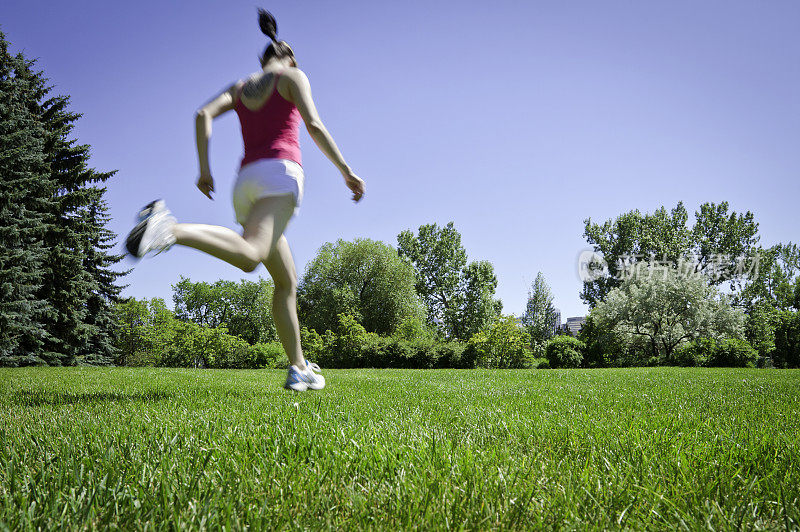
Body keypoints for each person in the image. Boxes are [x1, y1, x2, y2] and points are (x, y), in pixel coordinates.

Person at [126, 8, 364, 392]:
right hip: (280, 176)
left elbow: (202, 114)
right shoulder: (292, 76)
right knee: (251, 255)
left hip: (245, 184)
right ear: (290, 59)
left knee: (286, 281)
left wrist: (204, 171)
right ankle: (169, 228)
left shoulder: (240, 87)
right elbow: (314, 125)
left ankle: (299, 368)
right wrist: (346, 171)